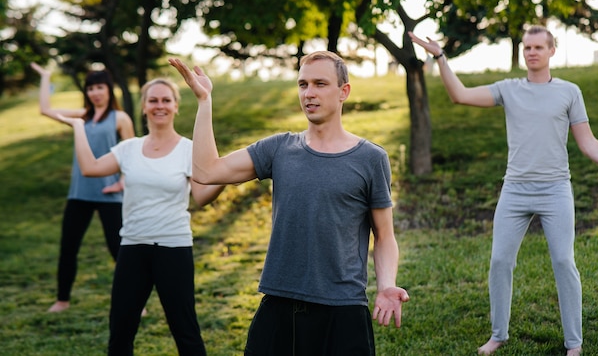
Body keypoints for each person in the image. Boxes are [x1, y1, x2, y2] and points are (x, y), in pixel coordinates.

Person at [169, 52, 410, 356]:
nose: (309, 93)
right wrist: (205, 102)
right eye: (303, 84)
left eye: (320, 84)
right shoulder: (279, 149)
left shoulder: (371, 159)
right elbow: (206, 172)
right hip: (279, 303)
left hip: (343, 307)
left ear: (343, 92)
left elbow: (384, 236)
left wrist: (386, 284)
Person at [409, 26, 598, 356]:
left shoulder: (569, 92)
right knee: (499, 261)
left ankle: (574, 343)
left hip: (555, 190)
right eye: (527, 47)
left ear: (552, 51)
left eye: (539, 46)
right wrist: (440, 57)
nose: (532, 52)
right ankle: (499, 334)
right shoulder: (508, 89)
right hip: (515, 190)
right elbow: (460, 95)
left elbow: (588, 143)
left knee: (564, 262)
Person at [57, 78, 225, 355]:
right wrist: (79, 127)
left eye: (166, 100)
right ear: (144, 107)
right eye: (153, 100)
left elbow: (203, 197)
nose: (160, 105)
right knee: (120, 332)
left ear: (176, 106)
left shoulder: (188, 149)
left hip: (174, 247)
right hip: (132, 247)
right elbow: (89, 168)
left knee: (185, 331)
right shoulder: (129, 148)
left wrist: (224, 177)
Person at [32, 63, 135, 313]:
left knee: (119, 251)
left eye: (100, 87)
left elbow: (132, 156)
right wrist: (46, 77)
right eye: (90, 88)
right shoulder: (82, 117)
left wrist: (121, 182)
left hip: (109, 195)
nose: (95, 92)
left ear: (108, 89)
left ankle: (135, 301)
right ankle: (62, 300)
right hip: (79, 194)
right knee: (69, 248)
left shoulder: (120, 118)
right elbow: (46, 110)